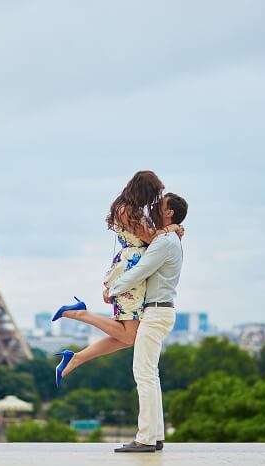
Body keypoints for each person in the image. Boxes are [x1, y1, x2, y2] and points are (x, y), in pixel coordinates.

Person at [50, 172, 183, 387]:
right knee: (130, 336)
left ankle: (76, 357)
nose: (154, 201)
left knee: (129, 336)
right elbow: (151, 238)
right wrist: (172, 228)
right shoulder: (127, 210)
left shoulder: (128, 209)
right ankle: (78, 314)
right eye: (154, 194)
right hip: (132, 272)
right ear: (145, 191)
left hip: (133, 270)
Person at [109, 192, 187, 453]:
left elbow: (141, 269)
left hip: (155, 313)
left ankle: (145, 439)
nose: (155, 206)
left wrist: (112, 289)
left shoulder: (165, 242)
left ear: (169, 213)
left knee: (143, 375)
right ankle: (155, 435)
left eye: (160, 205)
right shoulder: (169, 238)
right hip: (159, 311)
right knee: (150, 376)